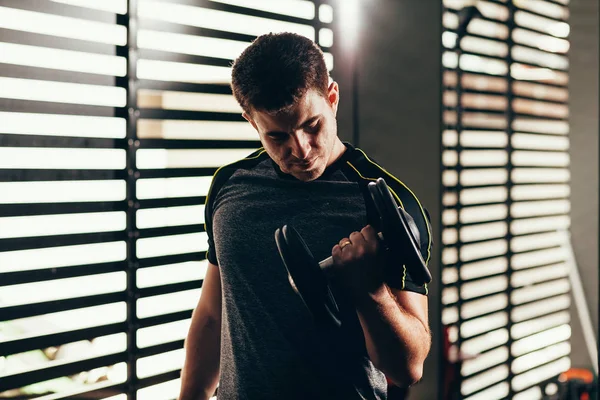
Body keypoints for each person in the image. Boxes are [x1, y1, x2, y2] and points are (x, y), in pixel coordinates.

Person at [178, 32, 432, 400]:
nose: (300, 149)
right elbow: (213, 314)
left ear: (332, 98)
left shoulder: (387, 204)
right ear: (252, 122)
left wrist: (370, 290)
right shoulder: (229, 187)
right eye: (278, 137)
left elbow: (407, 369)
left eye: (312, 125)